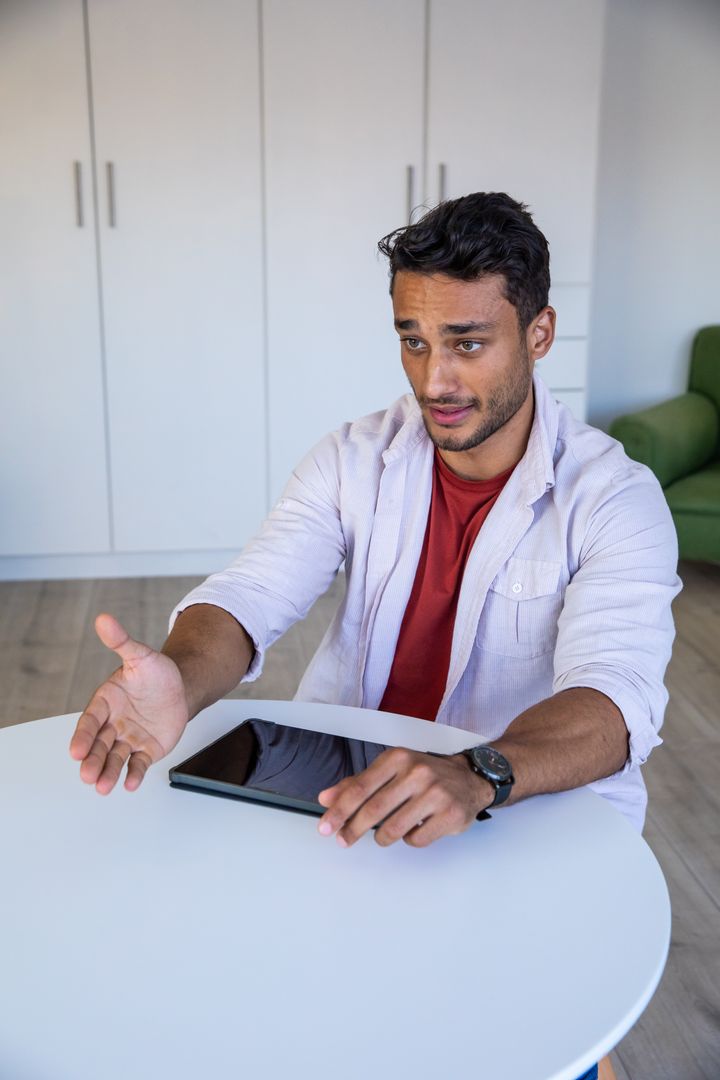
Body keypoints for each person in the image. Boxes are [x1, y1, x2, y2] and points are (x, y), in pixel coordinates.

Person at [70, 192, 681, 854]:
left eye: (467, 343)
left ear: (540, 334)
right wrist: (182, 678)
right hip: (347, 793)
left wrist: (476, 772)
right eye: (414, 341)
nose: (434, 380)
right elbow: (252, 594)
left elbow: (614, 700)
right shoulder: (352, 458)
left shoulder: (616, 500)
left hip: (519, 807)